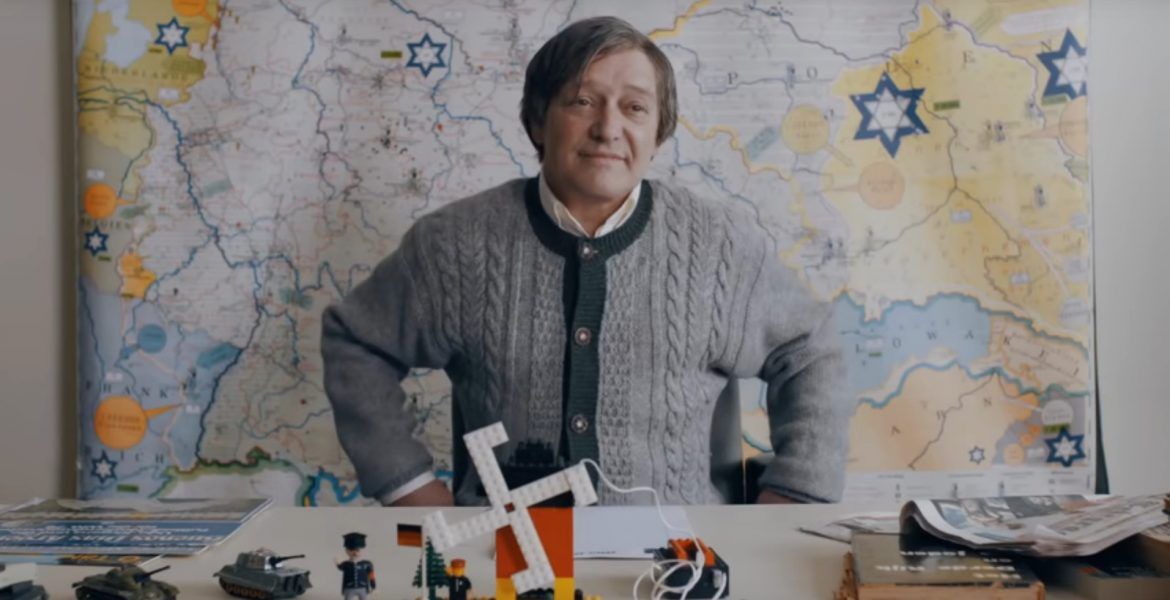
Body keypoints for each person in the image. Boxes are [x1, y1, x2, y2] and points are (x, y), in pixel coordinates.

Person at [321, 16, 850, 507]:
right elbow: (356, 342)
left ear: (658, 133)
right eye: (582, 101)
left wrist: (795, 492)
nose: (608, 128)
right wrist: (411, 487)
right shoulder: (453, 245)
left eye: (635, 108)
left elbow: (810, 352)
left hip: (676, 554)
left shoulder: (722, 248)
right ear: (537, 121)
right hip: (506, 551)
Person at [335, 532, 376, 599]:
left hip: (362, 588)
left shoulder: (367, 564)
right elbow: (340, 567)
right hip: (349, 588)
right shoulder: (346, 564)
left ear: (361, 551)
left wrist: (373, 587)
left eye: (357, 550)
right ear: (347, 551)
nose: (355, 552)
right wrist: (337, 563)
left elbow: (371, 576)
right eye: (351, 550)